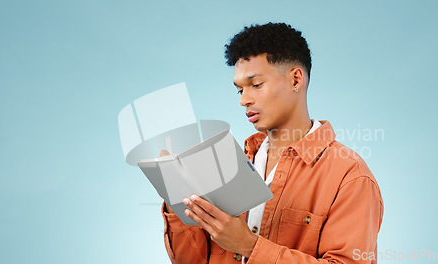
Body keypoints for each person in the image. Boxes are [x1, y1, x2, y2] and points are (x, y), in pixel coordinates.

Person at [160, 22, 384, 264]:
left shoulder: (350, 176)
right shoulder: (231, 164)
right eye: (239, 91)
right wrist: (176, 199)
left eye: (256, 85)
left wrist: (249, 246)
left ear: (296, 80)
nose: (244, 100)